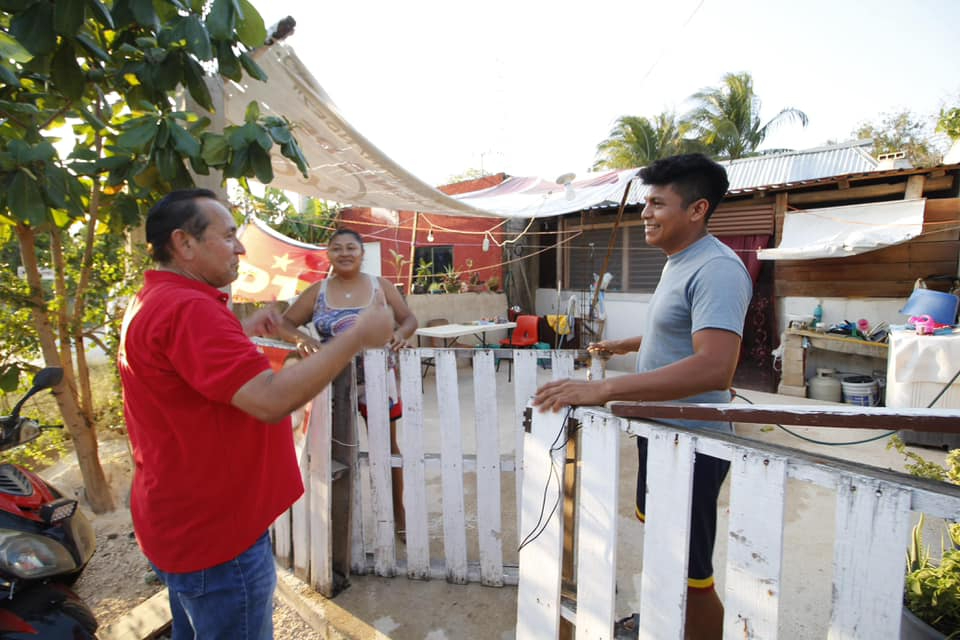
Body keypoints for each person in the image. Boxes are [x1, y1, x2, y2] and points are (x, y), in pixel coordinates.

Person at [118, 189, 393, 640]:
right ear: (184, 244)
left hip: (180, 524)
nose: (241, 248)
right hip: (217, 537)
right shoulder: (190, 309)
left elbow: (180, 371)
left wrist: (240, 332)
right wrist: (356, 336)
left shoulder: (158, 299)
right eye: (228, 237)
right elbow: (269, 400)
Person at [533, 154, 752, 640]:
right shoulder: (680, 262)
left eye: (657, 203)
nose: (645, 213)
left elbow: (715, 365)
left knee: (694, 574)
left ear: (696, 209)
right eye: (645, 203)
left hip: (694, 445)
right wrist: (625, 346)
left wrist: (604, 388)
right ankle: (659, 620)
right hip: (665, 437)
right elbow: (677, 331)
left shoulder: (717, 268)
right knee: (664, 549)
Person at [273, 228, 418, 533]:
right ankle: (334, 524)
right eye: (336, 248)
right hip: (331, 383)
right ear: (329, 255)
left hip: (378, 381)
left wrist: (400, 336)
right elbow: (284, 322)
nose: (344, 253)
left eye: (351, 247)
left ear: (362, 253)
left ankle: (400, 516)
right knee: (332, 450)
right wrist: (300, 338)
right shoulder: (318, 292)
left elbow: (409, 319)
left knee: (387, 447)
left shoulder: (381, 287)